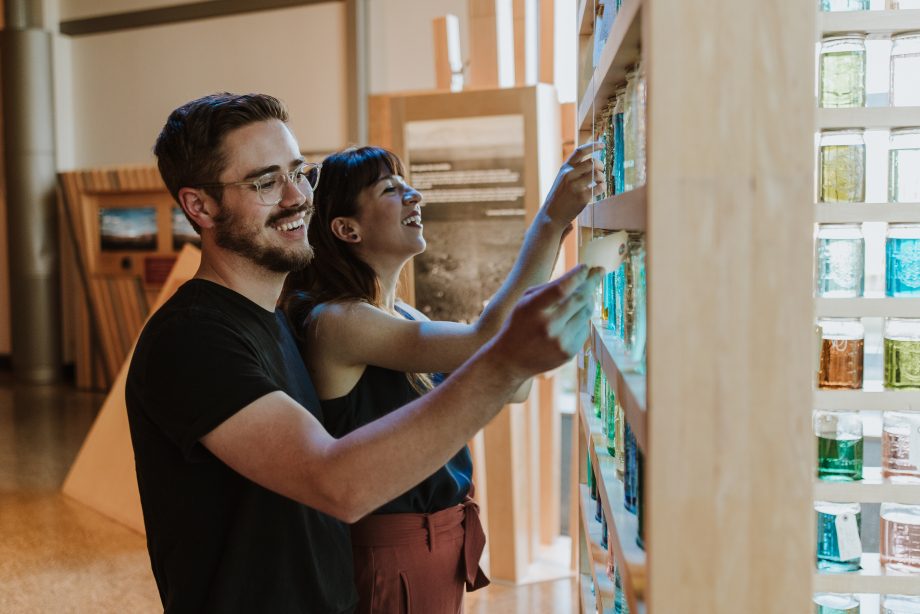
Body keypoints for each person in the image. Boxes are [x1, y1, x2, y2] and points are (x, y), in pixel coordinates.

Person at [126, 92, 602, 614]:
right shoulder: (194, 338)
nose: (296, 195)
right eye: (266, 182)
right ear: (200, 206)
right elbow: (336, 482)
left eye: (299, 172)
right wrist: (505, 359)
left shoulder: (273, 316)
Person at [282, 144, 604, 613]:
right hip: (391, 552)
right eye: (391, 189)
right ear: (346, 228)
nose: (415, 196)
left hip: (440, 542)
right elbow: (492, 342)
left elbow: (513, 384)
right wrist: (549, 224)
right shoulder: (337, 319)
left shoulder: (402, 314)